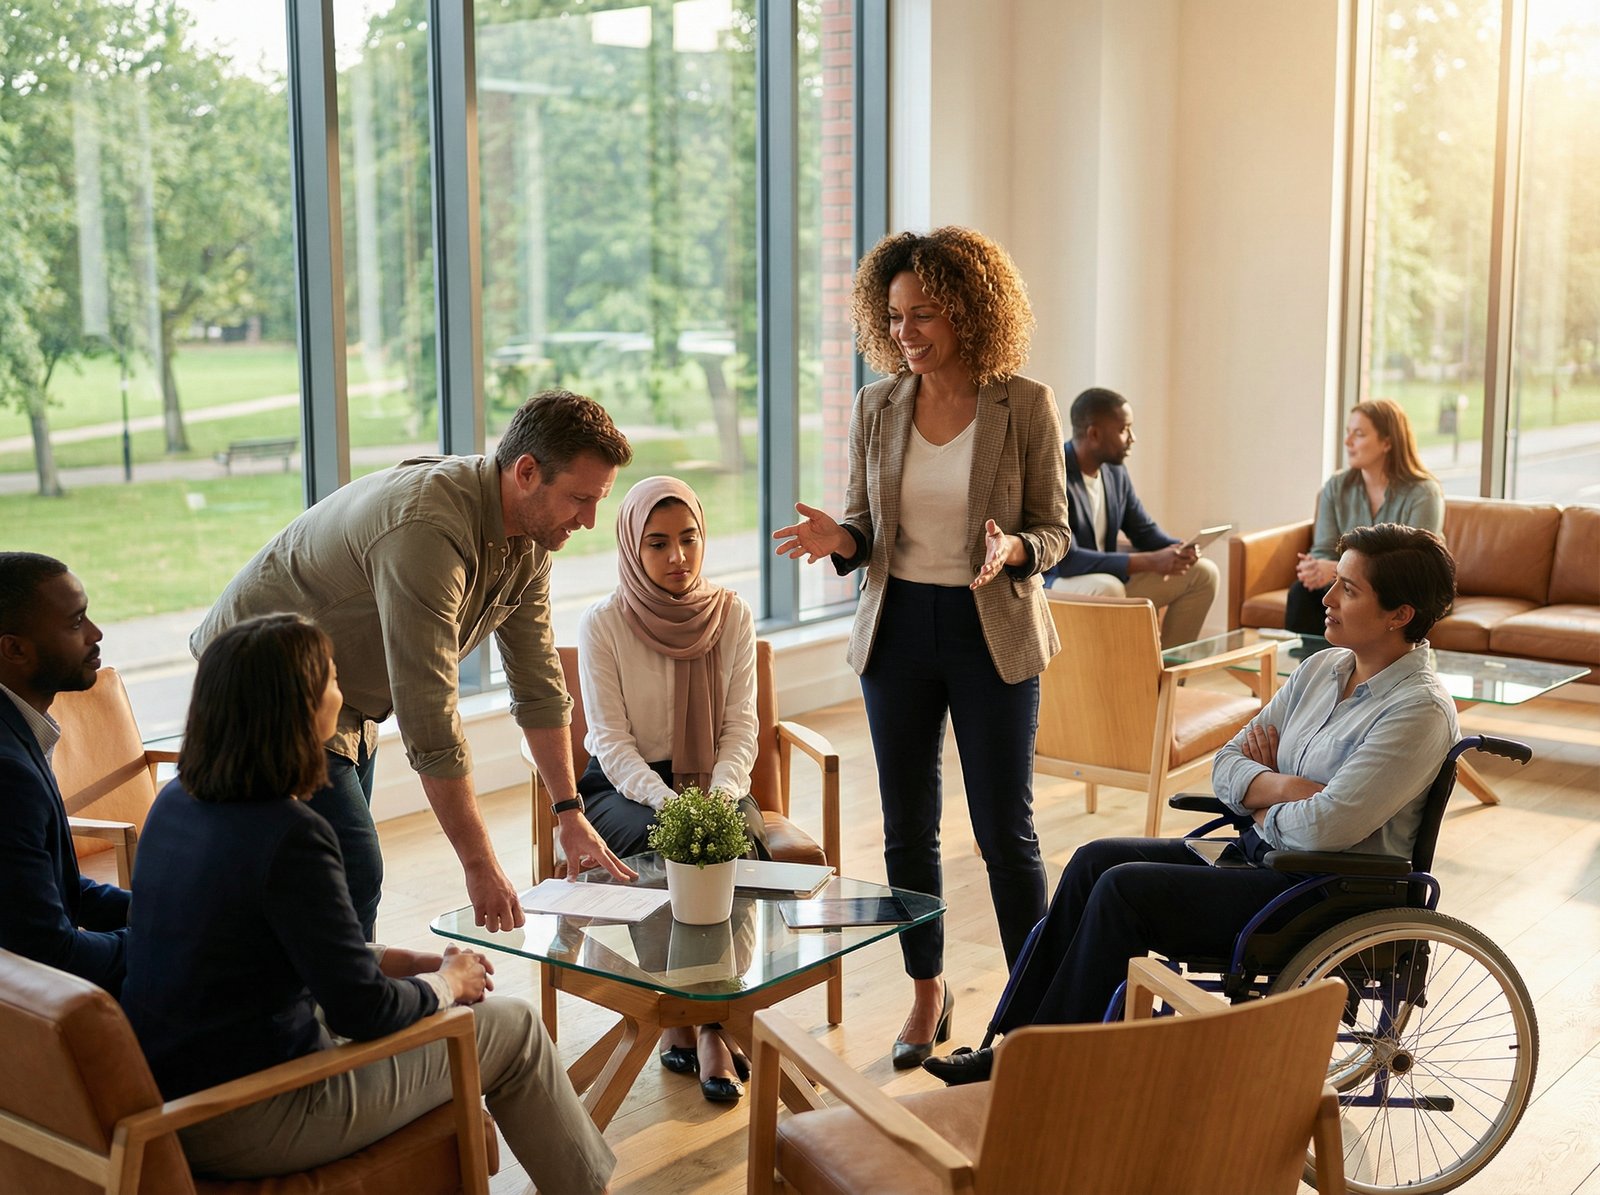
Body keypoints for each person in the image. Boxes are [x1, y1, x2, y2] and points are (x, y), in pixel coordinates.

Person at [923, 523, 1460, 1085]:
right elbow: (1226, 762)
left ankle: (1043, 1070)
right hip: (1269, 861)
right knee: (1093, 860)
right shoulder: (1322, 669)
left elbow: (1324, 829)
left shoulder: (1417, 711)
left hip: (1325, 893)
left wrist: (1262, 797)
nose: (1324, 598)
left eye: (1348, 589)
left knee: (1124, 889)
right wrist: (1278, 786)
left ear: (1400, 614)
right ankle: (1016, 1044)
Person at [120, 614, 615, 1192]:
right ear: (302, 709)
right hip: (253, 1113)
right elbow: (364, 1013)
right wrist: (450, 985)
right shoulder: (290, 833)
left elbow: (269, 945)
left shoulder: (174, 801)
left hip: (178, 1094)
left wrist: (401, 962)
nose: (343, 693)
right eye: (332, 679)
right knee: (516, 1026)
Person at [772, 227, 1070, 1068]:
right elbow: (868, 526)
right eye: (896, 315)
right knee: (907, 827)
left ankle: (1032, 1008)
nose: (906, 331)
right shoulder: (879, 404)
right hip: (898, 628)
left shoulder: (1025, 403)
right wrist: (842, 539)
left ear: (971, 312)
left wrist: (1012, 549)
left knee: (1003, 829)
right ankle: (928, 991)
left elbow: (1056, 530)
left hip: (992, 633)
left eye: (925, 313)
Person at [191, 389, 638, 940]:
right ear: (526, 472)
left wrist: (570, 812)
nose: (590, 520)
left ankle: (338, 1010)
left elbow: (539, 682)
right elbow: (428, 710)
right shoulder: (429, 527)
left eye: (598, 500)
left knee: (326, 881)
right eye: (579, 499)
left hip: (344, 700)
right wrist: (479, 864)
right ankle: (341, 1017)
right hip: (261, 687)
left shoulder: (530, 539)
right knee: (350, 873)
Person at [577, 474, 762, 1103]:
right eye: (657, 543)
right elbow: (608, 741)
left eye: (689, 539)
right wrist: (670, 803)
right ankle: (690, 1019)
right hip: (625, 787)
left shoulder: (731, 613)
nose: (677, 557)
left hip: (715, 782)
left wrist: (721, 795)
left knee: (733, 850)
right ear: (632, 546)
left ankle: (706, 1020)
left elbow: (741, 726)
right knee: (666, 856)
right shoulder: (603, 623)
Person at [0, 553, 130, 994]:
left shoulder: (18, 731)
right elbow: (51, 956)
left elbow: (60, 891)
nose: (96, 634)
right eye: (76, 623)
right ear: (14, 648)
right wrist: (180, 937)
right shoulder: (8, 774)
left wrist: (171, 908)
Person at [1044, 387, 1218, 647]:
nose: (1132, 438)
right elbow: (1067, 560)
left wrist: (1180, 549)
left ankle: (1165, 677)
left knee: (1203, 572)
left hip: (1106, 580)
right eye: (1124, 429)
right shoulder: (1053, 472)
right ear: (1093, 434)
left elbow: (1144, 531)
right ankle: (1119, 677)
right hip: (1058, 583)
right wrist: (1150, 561)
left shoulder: (1115, 473)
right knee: (1108, 587)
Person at [1286, 397, 1444, 636]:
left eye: (1359, 434)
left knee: (1375, 600)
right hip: (1350, 585)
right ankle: (1307, 671)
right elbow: (1322, 550)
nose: (1348, 442)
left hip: (1405, 591)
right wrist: (1317, 569)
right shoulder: (1336, 486)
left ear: (1387, 442)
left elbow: (1415, 566)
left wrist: (1338, 571)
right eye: (1348, 433)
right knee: (1301, 593)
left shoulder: (1424, 492)